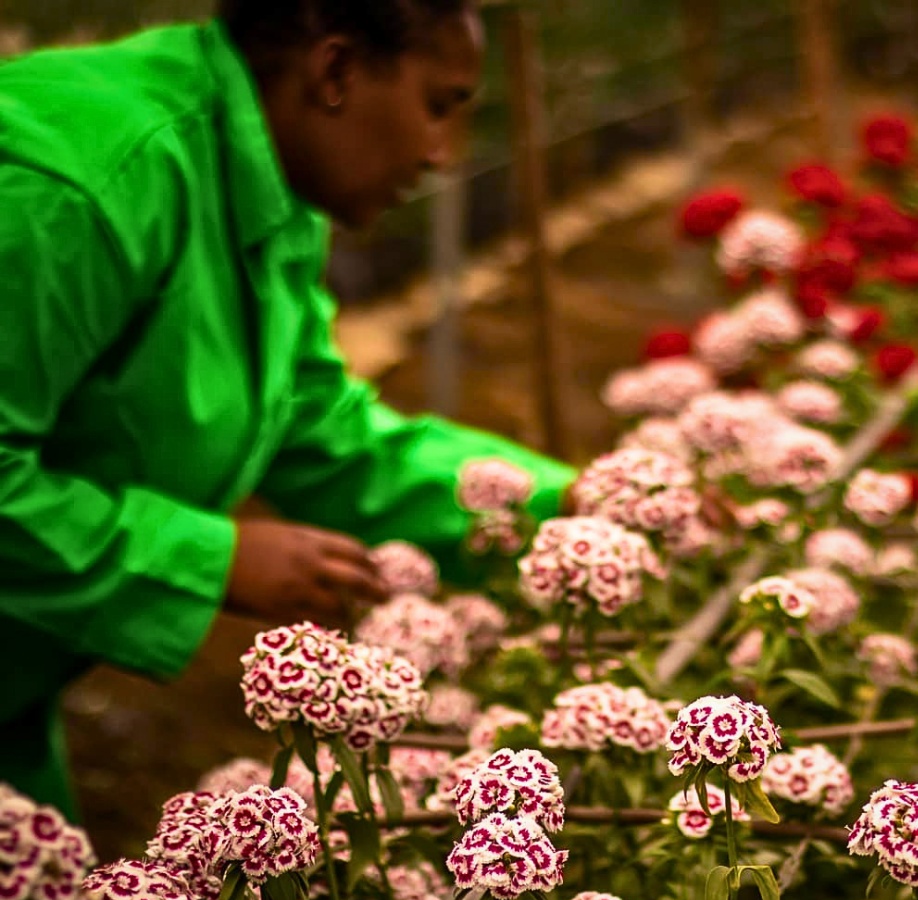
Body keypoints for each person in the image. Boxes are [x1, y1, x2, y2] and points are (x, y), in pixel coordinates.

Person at [0, 0, 575, 821]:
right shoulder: (76, 186)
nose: (441, 153)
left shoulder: (267, 186)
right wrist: (213, 558)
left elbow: (318, 427)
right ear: (336, 71)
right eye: (438, 106)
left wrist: (562, 506)